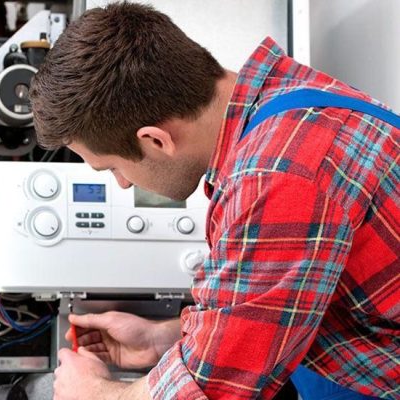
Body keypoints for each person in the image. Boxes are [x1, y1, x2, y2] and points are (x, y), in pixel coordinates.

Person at [29, 2, 400, 399]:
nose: (121, 184)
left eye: (111, 168)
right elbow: (284, 304)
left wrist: (96, 393)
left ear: (155, 140)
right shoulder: (284, 99)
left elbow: (215, 393)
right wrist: (164, 338)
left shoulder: (275, 175)